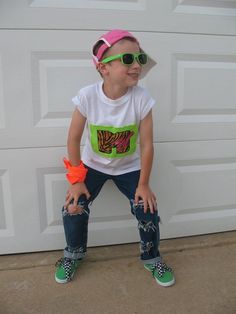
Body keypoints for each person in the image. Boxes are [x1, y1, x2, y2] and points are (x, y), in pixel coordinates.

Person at [55, 29, 175, 287]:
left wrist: (143, 184)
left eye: (140, 59)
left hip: (128, 168)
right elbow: (73, 139)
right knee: (73, 208)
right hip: (92, 166)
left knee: (148, 208)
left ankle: (151, 257)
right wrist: (77, 180)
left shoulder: (141, 99)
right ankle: (73, 254)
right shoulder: (87, 96)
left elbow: (146, 145)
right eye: (128, 59)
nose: (137, 66)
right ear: (103, 68)